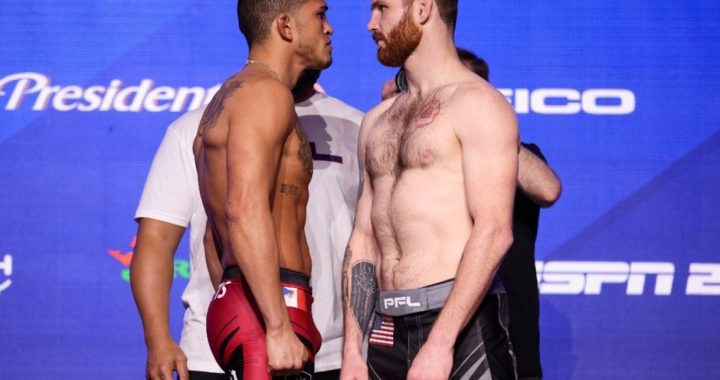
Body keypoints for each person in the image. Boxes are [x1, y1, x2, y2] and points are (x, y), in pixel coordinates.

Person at [342, 1, 519, 379]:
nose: (370, 23)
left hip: (460, 328)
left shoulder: (478, 104)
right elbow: (363, 237)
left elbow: (494, 230)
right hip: (386, 328)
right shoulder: (376, 121)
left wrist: (441, 344)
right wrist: (352, 351)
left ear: (422, 9)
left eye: (382, 8)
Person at [384, 48, 562, 380]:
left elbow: (548, 189)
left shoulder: (516, 154)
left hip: (505, 329)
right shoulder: (417, 158)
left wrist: (486, 129)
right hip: (424, 324)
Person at [193, 0, 333, 378]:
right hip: (268, 308)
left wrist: (235, 297)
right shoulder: (267, 94)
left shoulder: (223, 103)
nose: (329, 28)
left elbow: (213, 234)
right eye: (320, 14)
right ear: (285, 26)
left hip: (248, 300)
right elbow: (241, 210)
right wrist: (275, 325)